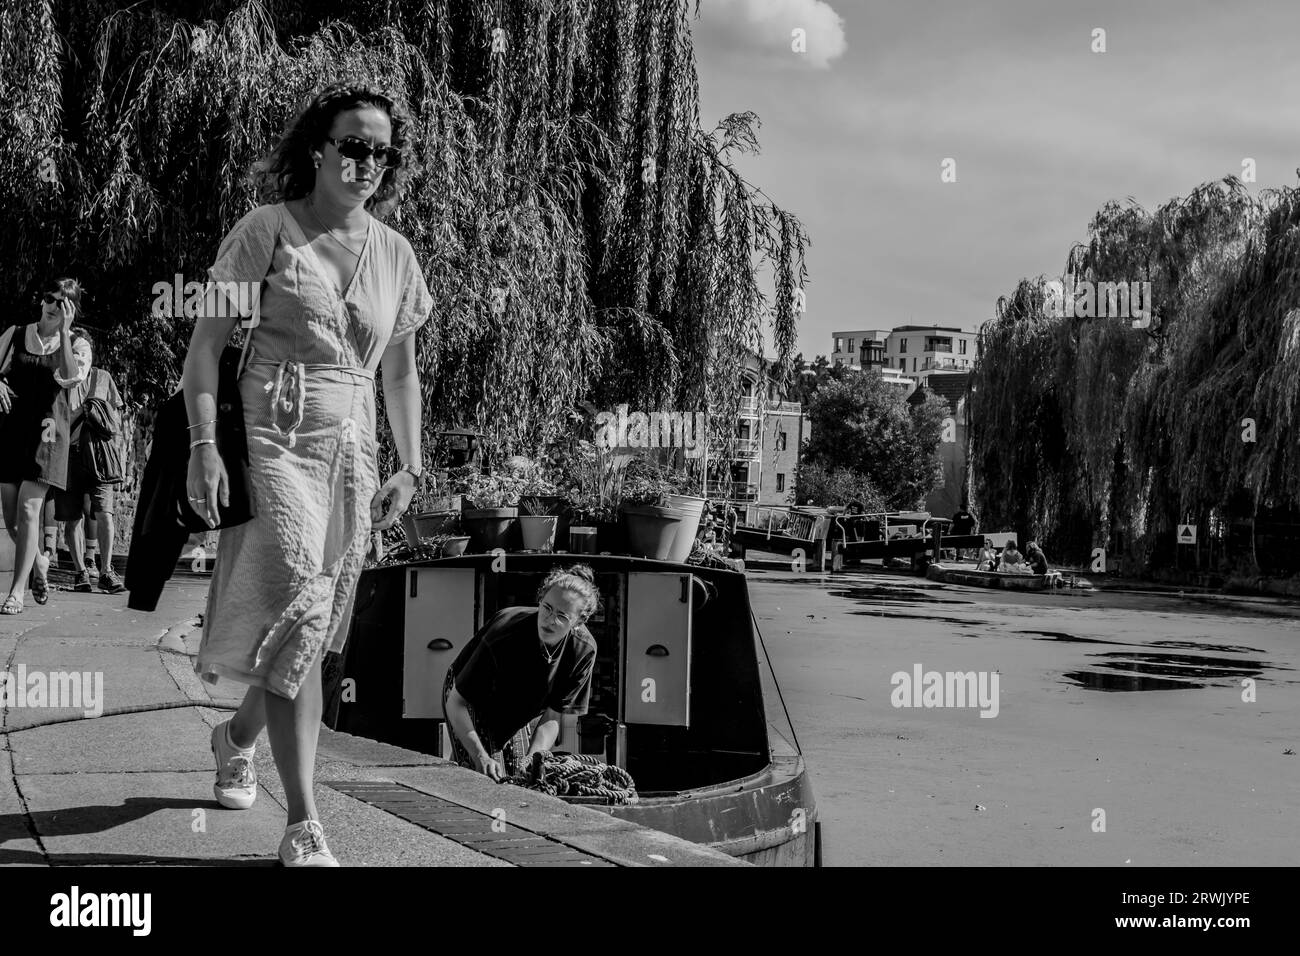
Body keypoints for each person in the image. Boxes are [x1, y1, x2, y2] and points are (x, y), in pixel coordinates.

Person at [185, 82, 432, 866]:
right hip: (274, 435)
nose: (367, 162)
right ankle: (303, 823)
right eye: (353, 145)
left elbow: (399, 375)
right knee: (297, 590)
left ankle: (235, 738)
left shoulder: (395, 253)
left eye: (381, 152)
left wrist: (412, 465)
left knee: (310, 628)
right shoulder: (266, 231)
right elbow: (203, 350)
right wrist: (203, 445)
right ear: (319, 149)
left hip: (353, 451)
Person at [442, 565, 599, 781]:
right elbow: (456, 702)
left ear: (579, 622)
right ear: (540, 600)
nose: (550, 620)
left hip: (521, 707)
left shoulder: (583, 650)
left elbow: (553, 716)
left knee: (521, 779)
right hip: (470, 699)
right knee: (485, 777)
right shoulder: (504, 633)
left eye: (562, 616)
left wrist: (533, 760)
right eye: (547, 608)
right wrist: (480, 757)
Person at [0, 280, 93, 614]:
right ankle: (40, 560)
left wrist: (66, 334)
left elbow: (70, 377)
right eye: (50, 298)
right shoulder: (15, 334)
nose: (54, 304)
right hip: (12, 432)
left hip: (49, 435)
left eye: (63, 302)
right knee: (12, 517)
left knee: (29, 511)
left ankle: (16, 593)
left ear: (72, 310)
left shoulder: (78, 344)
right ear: (41, 300)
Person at [56, 362, 126, 593]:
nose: (77, 359)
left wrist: (115, 452)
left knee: (105, 513)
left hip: (100, 455)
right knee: (72, 517)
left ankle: (106, 571)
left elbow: (116, 418)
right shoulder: (60, 379)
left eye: (82, 353)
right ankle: (80, 573)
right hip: (69, 454)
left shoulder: (103, 377)